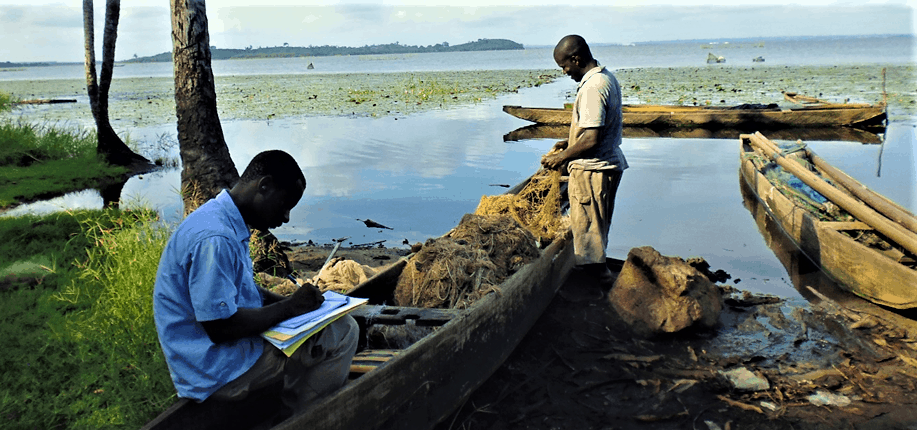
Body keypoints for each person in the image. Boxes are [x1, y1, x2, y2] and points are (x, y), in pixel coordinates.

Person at [153, 150, 358, 419]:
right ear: (264, 186)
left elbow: (242, 290)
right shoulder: (216, 238)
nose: (285, 218)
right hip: (215, 369)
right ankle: (302, 419)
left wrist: (291, 303)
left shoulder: (220, 217)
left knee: (321, 328)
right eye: (285, 205)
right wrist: (290, 309)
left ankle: (285, 404)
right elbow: (220, 327)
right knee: (343, 332)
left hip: (215, 355)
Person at [541, 34, 628, 287]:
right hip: (605, 165)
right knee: (595, 231)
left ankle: (595, 290)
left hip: (593, 170)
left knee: (589, 237)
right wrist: (569, 143)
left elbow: (591, 139)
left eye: (564, 66)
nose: (565, 71)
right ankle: (596, 278)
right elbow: (595, 131)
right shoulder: (605, 77)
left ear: (576, 58)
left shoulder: (592, 87)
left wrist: (561, 158)